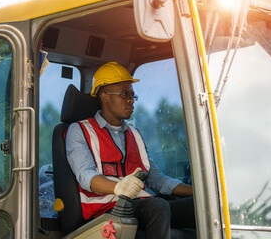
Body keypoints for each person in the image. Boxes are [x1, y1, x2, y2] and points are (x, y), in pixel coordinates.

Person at [66, 62, 195, 238]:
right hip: (107, 210)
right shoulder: (79, 130)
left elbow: (156, 179)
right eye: (124, 94)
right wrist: (118, 187)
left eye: (133, 95)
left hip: (139, 205)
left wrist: (197, 191)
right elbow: (85, 175)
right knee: (158, 206)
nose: (130, 100)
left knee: (199, 206)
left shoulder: (135, 134)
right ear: (104, 96)